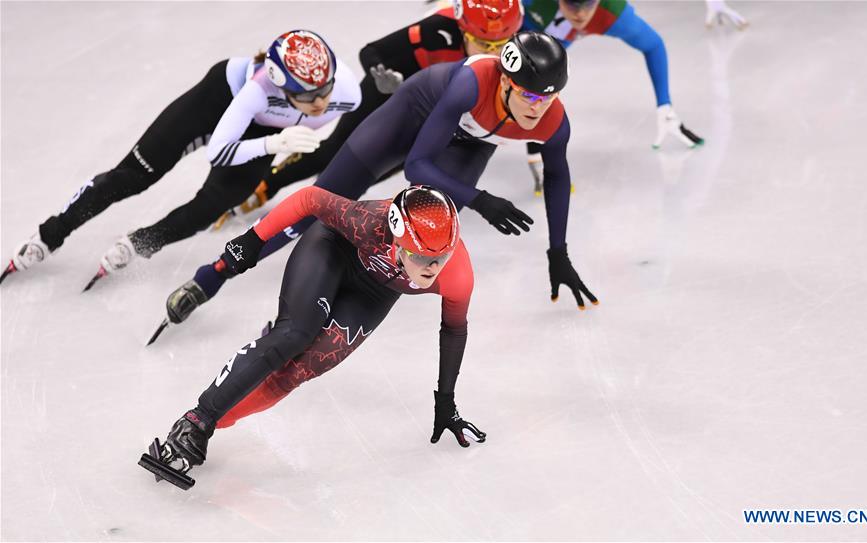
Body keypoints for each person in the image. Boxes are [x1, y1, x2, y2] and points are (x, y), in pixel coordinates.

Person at [156, 30, 596, 343]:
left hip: (469, 145)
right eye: (530, 97)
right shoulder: (469, 84)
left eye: (549, 98)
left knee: (418, 239)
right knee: (319, 205)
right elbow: (419, 166)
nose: (538, 110)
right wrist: (481, 200)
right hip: (412, 116)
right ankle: (211, 276)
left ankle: (302, 319)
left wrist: (558, 252)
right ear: (505, 81)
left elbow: (558, 175)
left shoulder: (554, 122)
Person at [139, 185, 486, 489]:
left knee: (295, 373)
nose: (432, 267)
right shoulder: (368, 221)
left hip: (373, 294)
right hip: (332, 249)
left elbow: (454, 330)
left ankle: (214, 423)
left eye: (440, 257)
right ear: (397, 242)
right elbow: (310, 199)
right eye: (422, 257)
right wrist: (254, 240)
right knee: (295, 334)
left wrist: (446, 402)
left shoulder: (457, 276)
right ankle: (195, 422)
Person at [2, 30, 360, 286]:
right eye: (307, 94)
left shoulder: (348, 94)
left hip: (266, 133)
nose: (321, 102)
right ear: (279, 85)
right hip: (215, 102)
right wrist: (273, 144)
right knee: (132, 177)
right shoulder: (256, 92)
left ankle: (141, 242)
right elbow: (221, 150)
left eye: (325, 88)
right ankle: (49, 234)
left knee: (210, 208)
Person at [213, 0, 525, 228]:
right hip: (387, 92)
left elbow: (533, 106)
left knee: (384, 169)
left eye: (500, 45)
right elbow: (371, 50)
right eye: (483, 43)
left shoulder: (508, 60)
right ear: (461, 28)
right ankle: (265, 186)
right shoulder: (437, 29)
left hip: (426, 113)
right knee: (331, 152)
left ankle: (314, 207)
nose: (491, 54)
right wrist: (382, 75)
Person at [520, 0, 704, 194]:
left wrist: (665, 107)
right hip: (527, 30)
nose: (581, 14)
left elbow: (653, 45)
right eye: (572, 4)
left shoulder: (612, 12)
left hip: (546, 35)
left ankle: (539, 161)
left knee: (538, 78)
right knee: (530, 77)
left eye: (588, 4)